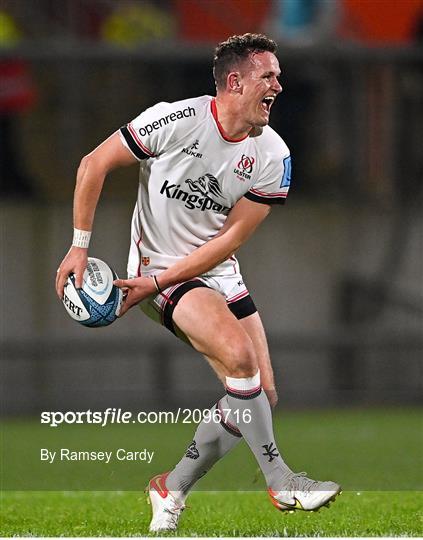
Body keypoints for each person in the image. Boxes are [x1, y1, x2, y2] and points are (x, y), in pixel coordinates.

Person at [55, 33, 340, 532]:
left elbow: (229, 240)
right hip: (156, 270)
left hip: (211, 274)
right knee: (240, 357)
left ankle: (171, 488)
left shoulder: (274, 156)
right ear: (235, 82)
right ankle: (281, 480)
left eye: (278, 75)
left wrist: (166, 279)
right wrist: (80, 245)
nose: (279, 83)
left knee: (259, 398)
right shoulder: (175, 119)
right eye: (267, 75)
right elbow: (93, 164)